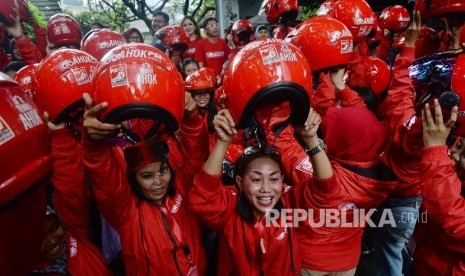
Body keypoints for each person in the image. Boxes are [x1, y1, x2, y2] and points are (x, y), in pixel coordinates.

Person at [81, 91, 209, 275]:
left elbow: (197, 156)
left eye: (163, 171)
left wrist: (191, 119)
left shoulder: (181, 187)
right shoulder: (126, 213)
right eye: (147, 176)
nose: (158, 182)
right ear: (135, 179)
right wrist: (93, 145)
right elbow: (106, 181)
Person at [189, 108, 322, 275]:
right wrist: (222, 143)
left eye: (273, 179)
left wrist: (312, 141)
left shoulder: (289, 202)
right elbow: (202, 199)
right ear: (240, 182)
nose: (266, 189)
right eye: (256, 179)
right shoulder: (230, 210)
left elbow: (325, 190)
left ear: (282, 180)